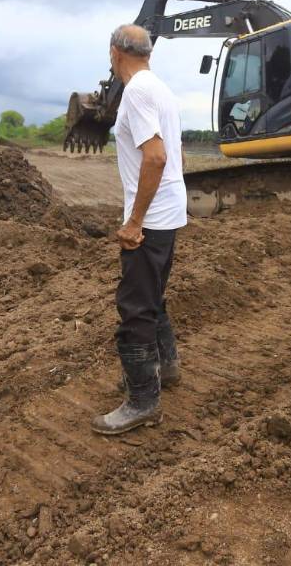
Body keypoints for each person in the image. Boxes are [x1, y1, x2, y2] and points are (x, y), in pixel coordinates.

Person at [91, 24, 188, 435]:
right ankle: (165, 367)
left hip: (150, 221)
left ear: (115, 53)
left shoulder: (137, 93)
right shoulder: (160, 88)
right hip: (168, 214)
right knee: (152, 297)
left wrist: (134, 222)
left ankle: (142, 401)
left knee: (134, 309)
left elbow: (155, 157)